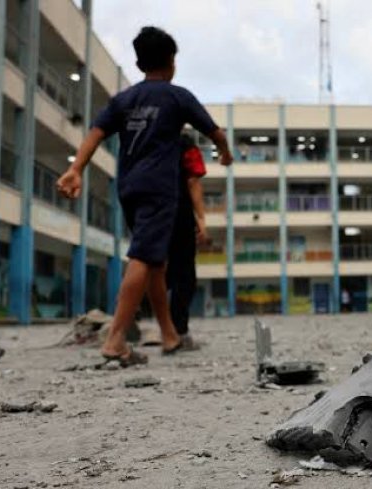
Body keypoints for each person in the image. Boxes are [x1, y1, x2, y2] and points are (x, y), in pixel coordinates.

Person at [56, 26, 233, 366]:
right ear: (171, 61)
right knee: (143, 256)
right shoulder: (177, 96)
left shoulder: (124, 100)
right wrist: (224, 153)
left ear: (138, 64)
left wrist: (76, 168)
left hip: (129, 188)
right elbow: (215, 132)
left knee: (154, 260)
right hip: (159, 188)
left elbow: (96, 132)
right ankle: (115, 339)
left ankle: (169, 334)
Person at [166, 134, 208, 350]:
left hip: (144, 207)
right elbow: (192, 180)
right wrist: (200, 218)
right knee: (184, 275)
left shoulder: (146, 138)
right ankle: (178, 333)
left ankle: (123, 325)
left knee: (149, 268)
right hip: (176, 210)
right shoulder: (184, 142)